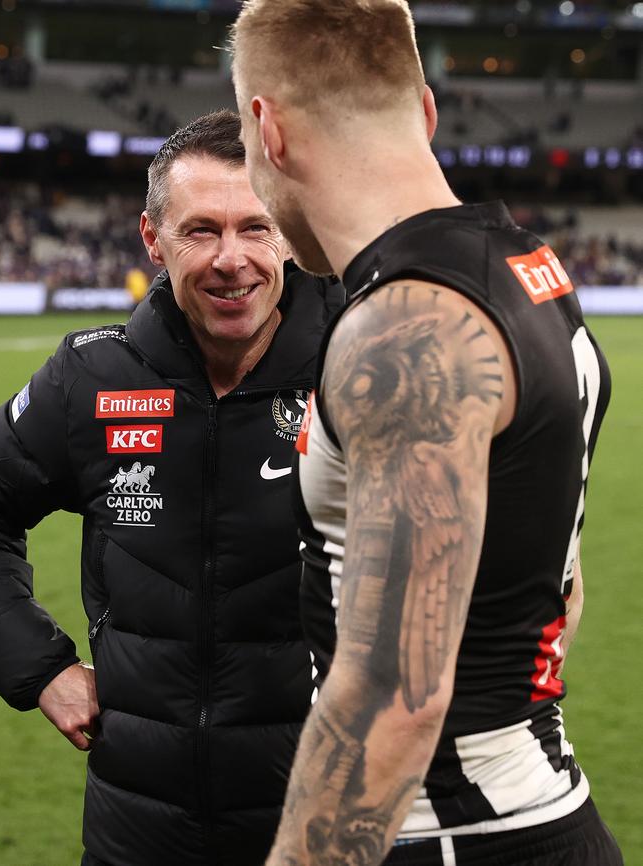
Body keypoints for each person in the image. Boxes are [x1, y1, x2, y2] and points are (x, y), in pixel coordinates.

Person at [231, 3, 623, 866]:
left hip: (451, 836)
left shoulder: (409, 327)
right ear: (428, 110)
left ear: (268, 129)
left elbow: (392, 699)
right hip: (538, 807)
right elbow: (551, 585)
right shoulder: (531, 276)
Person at [0, 110, 345, 866]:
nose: (231, 259)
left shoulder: (360, 370)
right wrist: (37, 665)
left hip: (324, 831)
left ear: (287, 230)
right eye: (200, 231)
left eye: (256, 227)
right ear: (152, 239)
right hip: (136, 837)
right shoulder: (91, 379)